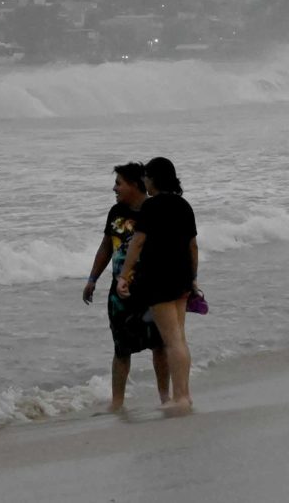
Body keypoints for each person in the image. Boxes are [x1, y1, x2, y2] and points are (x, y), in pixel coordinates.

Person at [82, 162, 169, 412]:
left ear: (134, 184)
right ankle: (117, 403)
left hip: (151, 290)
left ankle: (165, 399)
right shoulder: (116, 212)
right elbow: (106, 246)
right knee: (121, 348)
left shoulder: (154, 210)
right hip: (119, 293)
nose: (114, 188)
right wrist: (92, 279)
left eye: (119, 183)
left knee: (159, 345)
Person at [117, 157, 197, 416]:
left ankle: (181, 397)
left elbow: (137, 243)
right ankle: (183, 395)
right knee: (179, 338)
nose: (145, 182)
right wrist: (193, 277)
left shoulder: (151, 206)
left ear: (155, 179)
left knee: (171, 339)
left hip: (158, 278)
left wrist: (124, 275)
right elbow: (192, 246)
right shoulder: (184, 205)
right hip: (182, 276)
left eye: (147, 178)